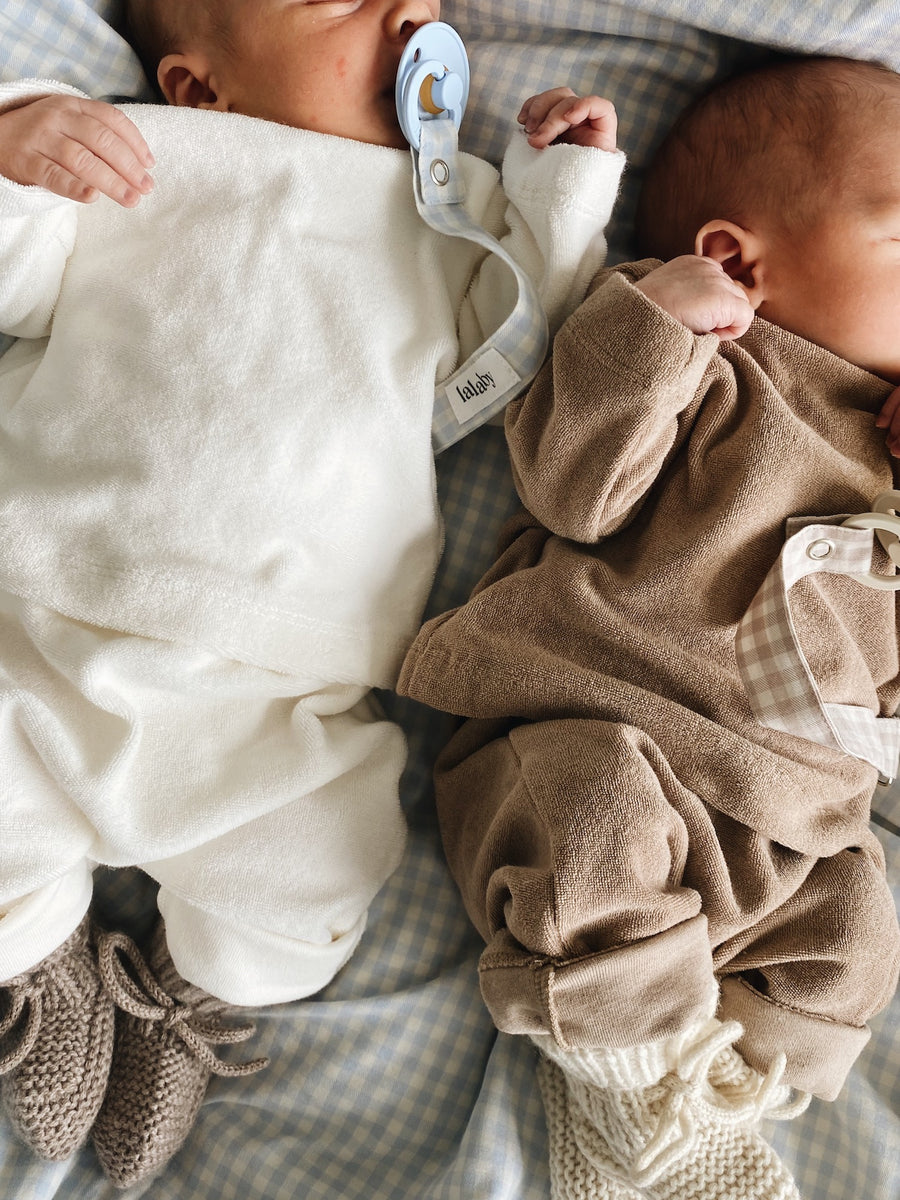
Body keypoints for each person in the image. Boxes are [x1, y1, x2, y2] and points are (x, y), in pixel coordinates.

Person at [0, 0, 626, 1186]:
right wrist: (19, 157)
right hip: (45, 605)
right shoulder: (137, 152)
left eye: (424, 4)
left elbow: (527, 340)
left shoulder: (452, 209)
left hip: (282, 678)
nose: (409, 16)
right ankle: (36, 965)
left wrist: (559, 191)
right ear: (198, 88)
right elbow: (12, 278)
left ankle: (186, 999)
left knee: (315, 867)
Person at [397, 54, 900, 1200]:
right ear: (734, 261)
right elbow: (573, 490)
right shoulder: (713, 365)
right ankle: (635, 1089)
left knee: (858, 932)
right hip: (596, 725)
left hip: (787, 817)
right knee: (589, 831)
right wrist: (652, 333)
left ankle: (720, 1095)